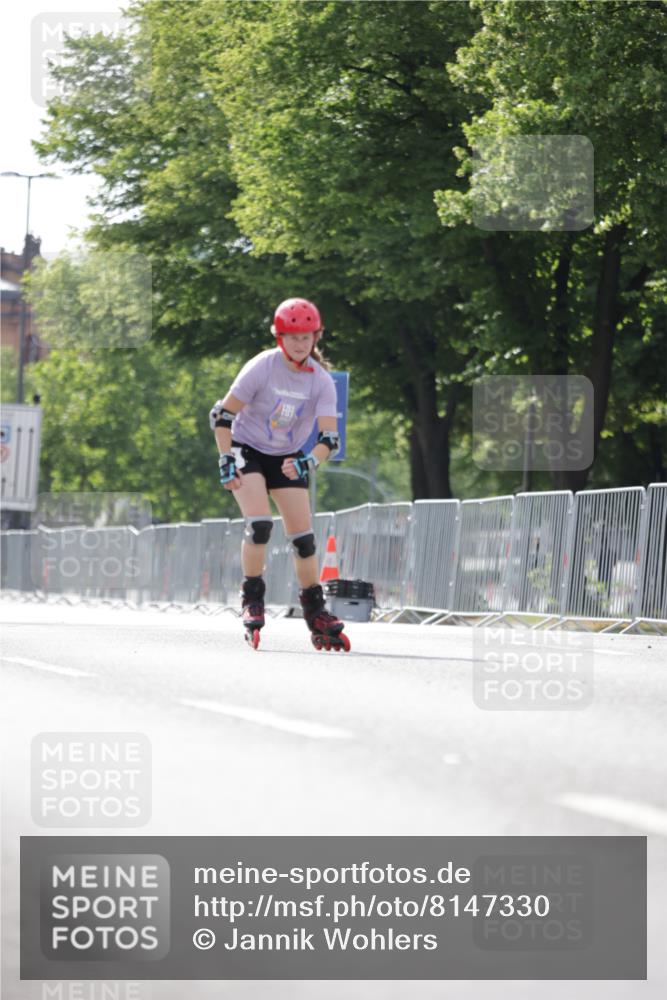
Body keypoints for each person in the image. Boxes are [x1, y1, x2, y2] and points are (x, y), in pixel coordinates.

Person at [209, 297, 350, 651]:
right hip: (246, 447)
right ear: (279, 337)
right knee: (260, 526)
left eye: (306, 337)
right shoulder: (263, 366)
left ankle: (315, 611)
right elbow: (222, 415)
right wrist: (226, 458)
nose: (300, 344)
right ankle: (252, 597)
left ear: (316, 338)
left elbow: (329, 439)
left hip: (286, 455)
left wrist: (308, 462)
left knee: (304, 539)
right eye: (293, 337)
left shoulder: (320, 381)